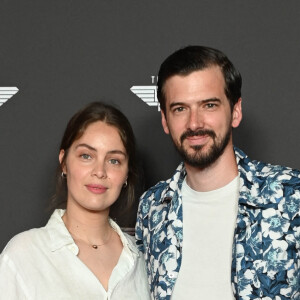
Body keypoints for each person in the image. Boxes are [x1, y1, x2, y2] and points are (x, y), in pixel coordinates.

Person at [135, 46, 300, 300]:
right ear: (165, 121)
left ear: (235, 111)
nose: (194, 123)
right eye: (180, 109)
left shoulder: (291, 196)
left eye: (209, 105)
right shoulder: (152, 207)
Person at [0, 102, 151, 299]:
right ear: (64, 162)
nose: (99, 171)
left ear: (126, 174)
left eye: (114, 160)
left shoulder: (145, 260)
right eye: (86, 156)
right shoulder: (23, 255)